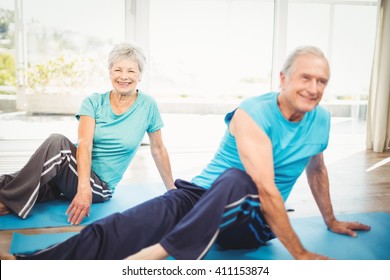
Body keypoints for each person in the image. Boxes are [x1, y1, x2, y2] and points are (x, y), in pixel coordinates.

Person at [0, 45, 371, 261]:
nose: (314, 87)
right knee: (117, 225)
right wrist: (172, 192)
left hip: (251, 220)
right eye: (305, 77)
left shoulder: (321, 121)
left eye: (321, 80)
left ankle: (163, 251)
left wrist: (328, 222)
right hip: (198, 196)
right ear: (284, 79)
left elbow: (313, 171)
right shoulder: (252, 114)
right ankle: (31, 262)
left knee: (237, 179)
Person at [0, 42, 175, 226]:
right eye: (118, 70)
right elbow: (84, 144)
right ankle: (11, 196)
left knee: (57, 143)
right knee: (9, 181)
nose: (124, 76)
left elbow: (158, 149)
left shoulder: (148, 106)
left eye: (131, 71)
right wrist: (82, 186)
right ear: (110, 72)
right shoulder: (93, 102)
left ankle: (9, 203)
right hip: (72, 175)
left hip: (99, 187)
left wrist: (173, 190)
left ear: (139, 75)